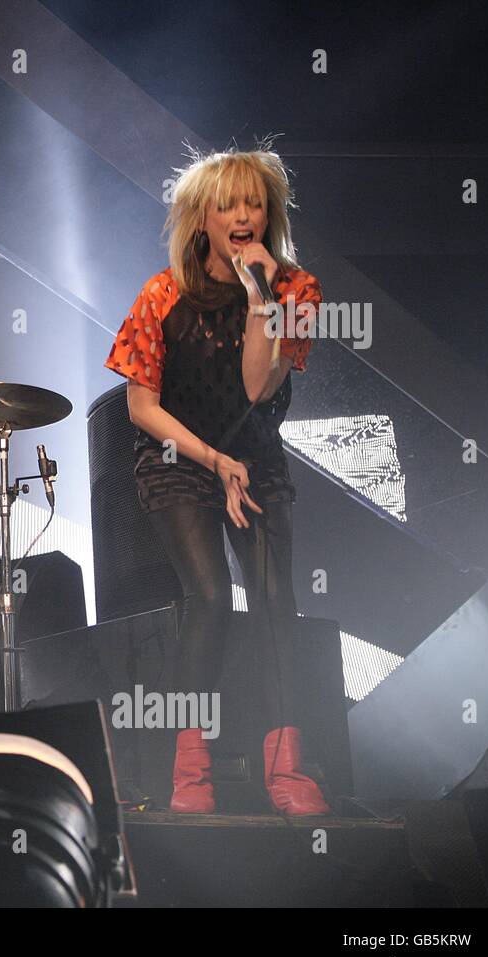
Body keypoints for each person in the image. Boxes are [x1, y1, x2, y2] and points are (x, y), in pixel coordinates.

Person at [104, 144, 329, 816]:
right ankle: (189, 774)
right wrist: (211, 461)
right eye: (227, 203)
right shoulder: (162, 294)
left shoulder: (295, 290)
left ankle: (286, 774)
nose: (242, 215)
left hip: (256, 459)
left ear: (270, 214)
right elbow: (141, 407)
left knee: (271, 599)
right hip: (180, 463)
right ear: (200, 217)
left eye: (254, 203)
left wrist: (260, 292)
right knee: (207, 597)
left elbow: (258, 387)